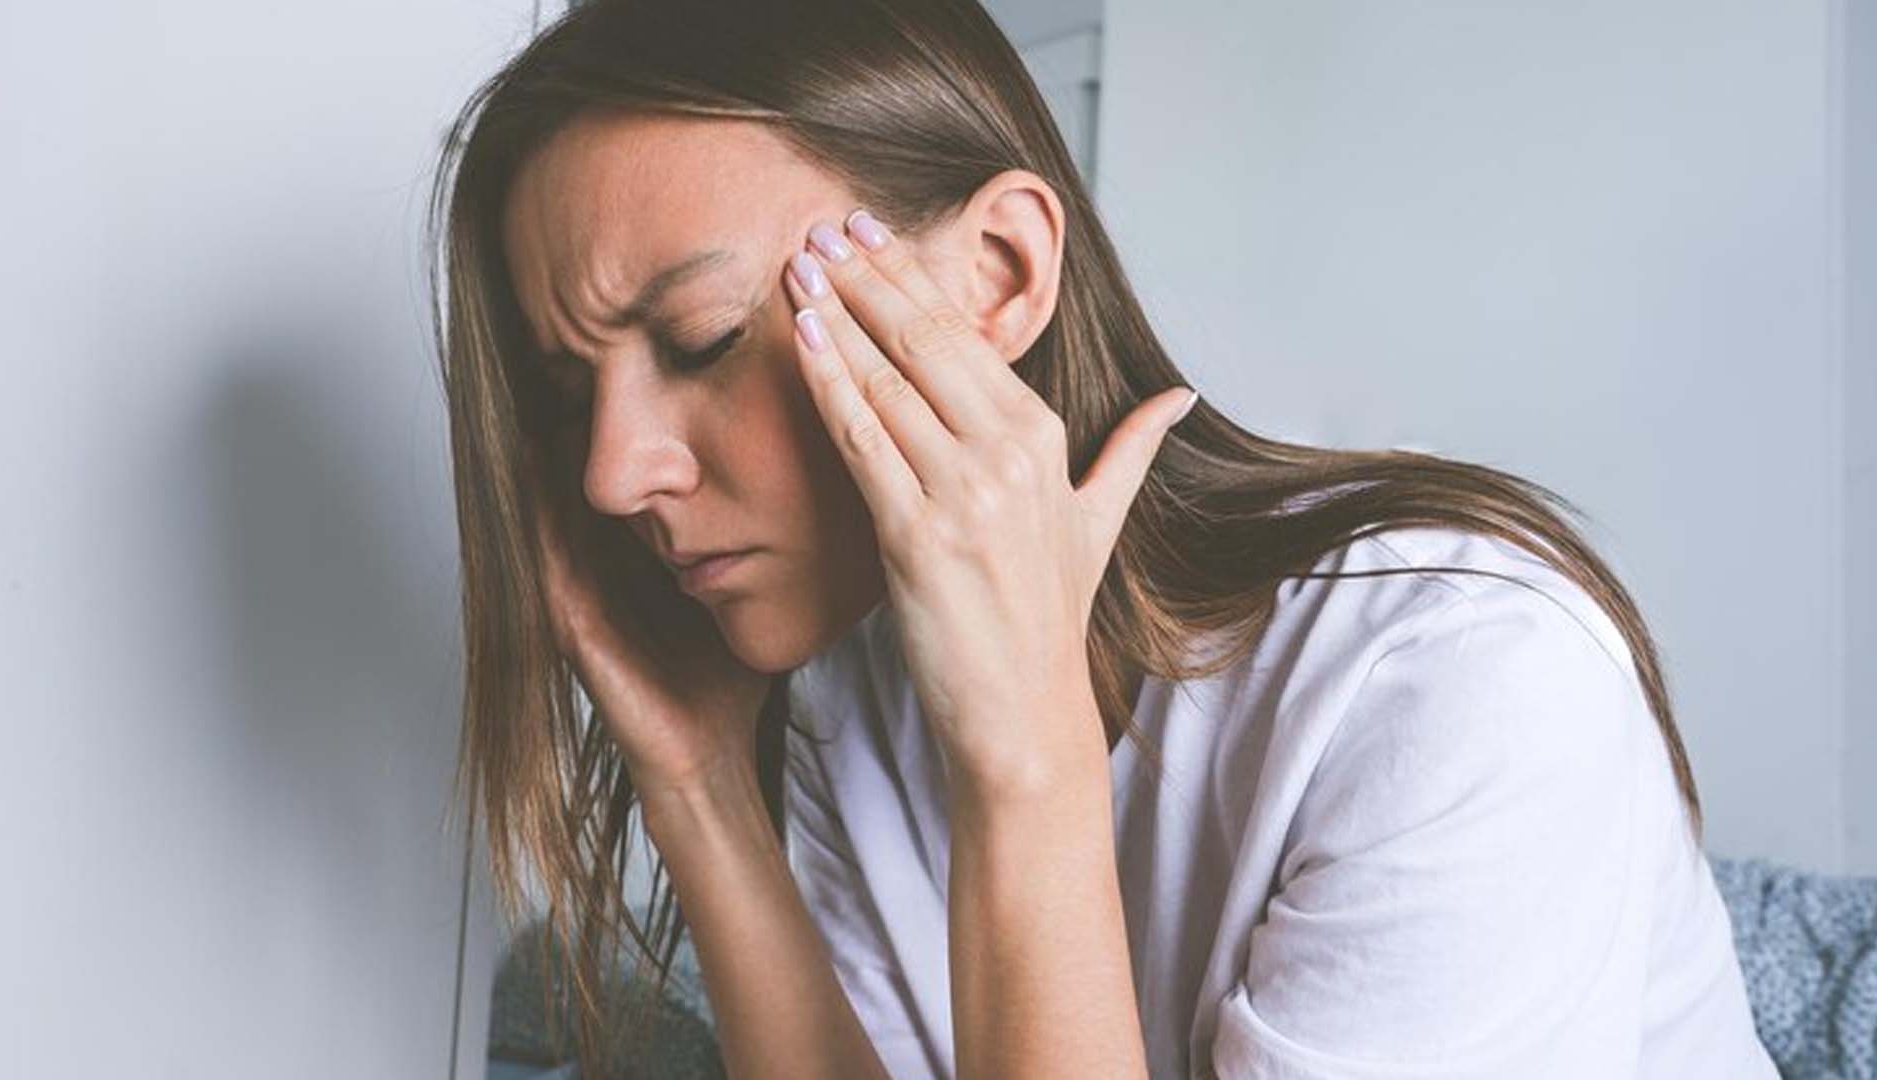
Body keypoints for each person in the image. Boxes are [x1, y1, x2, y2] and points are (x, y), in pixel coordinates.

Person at [427, 1, 1778, 1076]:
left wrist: (1027, 762)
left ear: (1000, 274)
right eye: (567, 395)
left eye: (703, 339)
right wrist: (704, 794)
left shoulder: (1466, 679)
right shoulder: (856, 684)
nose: (610, 474)